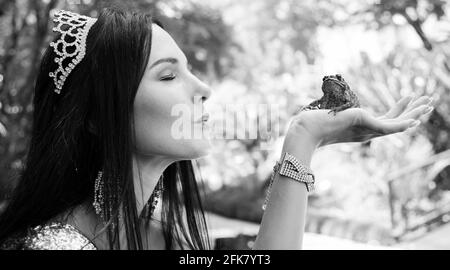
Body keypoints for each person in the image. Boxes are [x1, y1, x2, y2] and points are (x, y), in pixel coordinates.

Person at [0, 6, 434, 250]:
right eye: (169, 76)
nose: (203, 89)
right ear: (96, 117)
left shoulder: (162, 235)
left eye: (190, 71)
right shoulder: (55, 246)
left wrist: (303, 138)